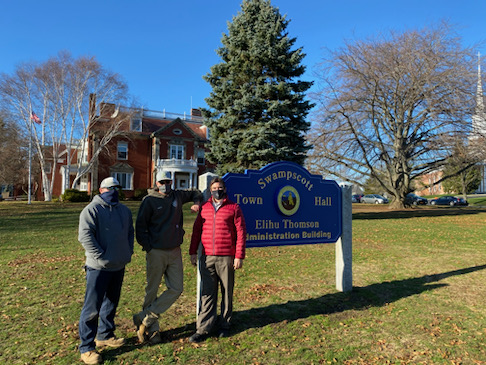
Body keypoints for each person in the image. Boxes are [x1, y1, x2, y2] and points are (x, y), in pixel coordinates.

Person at [134, 170, 202, 344]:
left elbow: (196, 192)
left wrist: (196, 203)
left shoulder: (177, 196)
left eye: (168, 181)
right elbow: (140, 228)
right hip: (156, 251)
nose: (166, 185)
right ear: (157, 183)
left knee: (177, 288)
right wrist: (148, 247)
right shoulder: (149, 201)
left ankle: (144, 317)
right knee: (152, 290)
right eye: (162, 182)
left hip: (175, 251)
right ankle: (152, 329)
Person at [78, 177, 134, 365]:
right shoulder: (91, 210)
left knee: (111, 303)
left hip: (118, 265)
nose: (115, 191)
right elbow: (85, 235)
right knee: (92, 308)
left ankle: (105, 335)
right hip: (98, 267)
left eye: (117, 188)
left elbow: (129, 233)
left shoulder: (124, 211)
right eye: (111, 188)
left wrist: (128, 251)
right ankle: (86, 347)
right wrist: (100, 255)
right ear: (101, 190)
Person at [188, 177, 246, 343]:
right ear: (210, 190)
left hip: (226, 257)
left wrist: (239, 256)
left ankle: (225, 325)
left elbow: (241, 232)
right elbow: (196, 231)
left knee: (226, 293)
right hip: (207, 257)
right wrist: (193, 252)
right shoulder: (204, 208)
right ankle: (203, 328)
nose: (217, 190)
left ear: (224, 189)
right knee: (207, 294)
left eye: (220, 187)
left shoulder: (234, 208)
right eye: (214, 188)